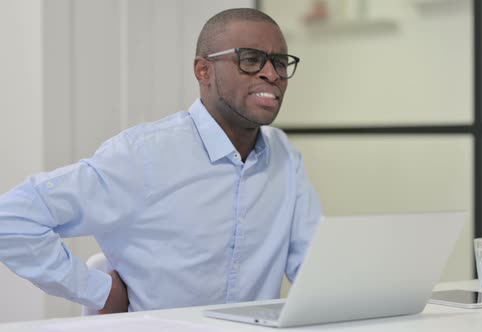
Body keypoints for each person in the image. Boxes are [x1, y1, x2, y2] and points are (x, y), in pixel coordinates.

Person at [0, 8, 322, 314]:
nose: (272, 74)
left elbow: (313, 267)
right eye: (251, 60)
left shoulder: (285, 158)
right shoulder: (143, 156)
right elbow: (12, 219)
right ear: (203, 70)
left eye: (280, 62)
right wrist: (98, 290)